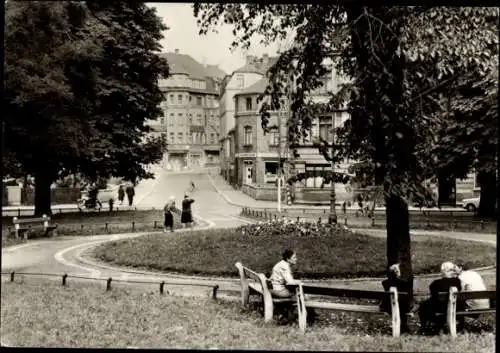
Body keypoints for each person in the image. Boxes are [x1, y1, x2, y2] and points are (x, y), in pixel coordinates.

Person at [269, 249, 317, 324]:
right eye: (294, 258)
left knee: (302, 294)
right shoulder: (284, 267)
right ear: (288, 259)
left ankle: (308, 315)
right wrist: (300, 282)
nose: (296, 259)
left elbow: (287, 280)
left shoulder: (281, 264)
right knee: (303, 295)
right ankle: (310, 317)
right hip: (279, 291)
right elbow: (290, 282)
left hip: (274, 288)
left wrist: (297, 281)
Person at [418, 261, 465, 334]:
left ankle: (424, 328)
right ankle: (460, 327)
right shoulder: (458, 282)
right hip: (457, 308)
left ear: (443, 271)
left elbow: (433, 297)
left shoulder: (436, 283)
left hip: (440, 309)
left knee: (423, 306)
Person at [379, 263, 413, 333]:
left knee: (398, 303)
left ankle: (402, 326)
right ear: (397, 273)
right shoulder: (403, 283)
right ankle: (403, 326)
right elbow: (407, 297)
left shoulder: (385, 283)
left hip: (389, 307)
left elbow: (385, 297)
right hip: (402, 307)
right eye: (398, 271)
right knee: (402, 304)